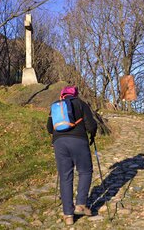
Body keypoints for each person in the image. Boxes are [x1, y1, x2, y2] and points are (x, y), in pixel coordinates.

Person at [47, 85, 97, 225]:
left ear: (62, 95)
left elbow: (49, 128)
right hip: (78, 141)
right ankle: (80, 204)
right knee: (85, 171)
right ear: (75, 94)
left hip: (59, 144)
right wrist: (92, 135)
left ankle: (68, 215)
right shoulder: (80, 103)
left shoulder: (55, 105)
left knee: (65, 176)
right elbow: (91, 125)